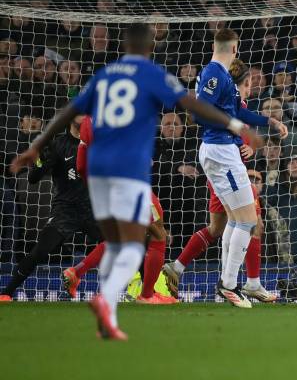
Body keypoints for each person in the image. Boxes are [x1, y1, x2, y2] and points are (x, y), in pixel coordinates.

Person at [10, 23, 259, 340]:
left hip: (96, 172)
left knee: (124, 240)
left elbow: (67, 111)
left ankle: (103, 303)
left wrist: (36, 146)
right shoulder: (151, 74)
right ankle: (132, 295)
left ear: (123, 45)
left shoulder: (105, 74)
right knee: (153, 236)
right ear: (150, 47)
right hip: (128, 167)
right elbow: (193, 104)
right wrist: (237, 124)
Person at [163, 58, 276, 303]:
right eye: (248, 84)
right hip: (227, 169)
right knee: (252, 223)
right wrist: (244, 144)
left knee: (219, 228)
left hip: (221, 171)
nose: (249, 88)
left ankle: (179, 267)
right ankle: (242, 283)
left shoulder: (233, 101)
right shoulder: (231, 102)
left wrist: (248, 148)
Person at [195, 28, 288, 308]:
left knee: (238, 220)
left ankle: (231, 284)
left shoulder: (223, 76)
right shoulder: (214, 73)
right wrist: (234, 127)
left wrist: (269, 121)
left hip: (223, 150)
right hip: (221, 151)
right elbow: (201, 111)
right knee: (247, 221)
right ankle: (229, 285)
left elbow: (239, 112)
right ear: (234, 49)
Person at [60, 115, 176, 305]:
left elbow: (81, 165)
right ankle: (147, 295)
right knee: (158, 233)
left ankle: (75, 272)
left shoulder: (88, 121)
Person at [0, 116, 103, 301]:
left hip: (92, 209)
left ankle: (147, 293)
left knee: (124, 242)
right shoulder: (58, 145)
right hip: (66, 210)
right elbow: (33, 178)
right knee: (40, 250)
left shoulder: (97, 144)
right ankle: (6, 292)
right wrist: (38, 160)